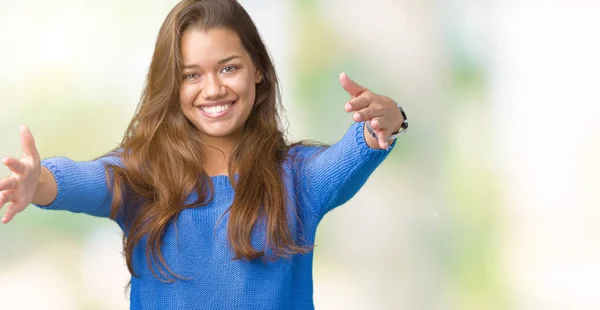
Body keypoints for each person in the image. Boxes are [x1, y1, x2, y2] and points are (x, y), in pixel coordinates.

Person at [0, 0, 408, 309]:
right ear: (171, 85)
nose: (212, 89)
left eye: (229, 68)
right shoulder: (144, 176)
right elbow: (87, 181)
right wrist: (38, 183)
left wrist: (386, 120)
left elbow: (353, 153)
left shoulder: (297, 178)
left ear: (258, 69)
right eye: (191, 75)